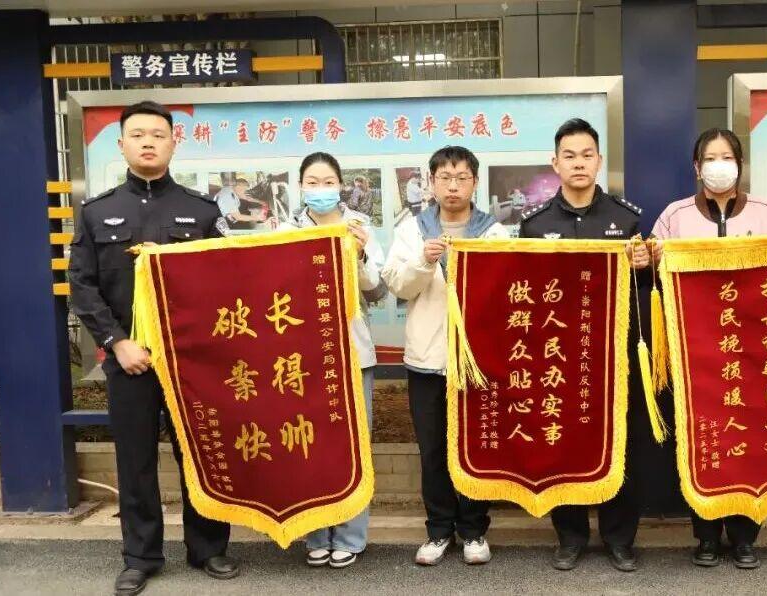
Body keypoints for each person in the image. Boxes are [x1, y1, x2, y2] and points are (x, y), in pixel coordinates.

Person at [68, 101, 240, 596]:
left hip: (192, 364)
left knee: (201, 453)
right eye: (138, 134)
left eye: (158, 134)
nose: (148, 141)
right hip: (130, 361)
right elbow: (83, 286)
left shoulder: (203, 211)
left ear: (173, 143)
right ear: (122, 143)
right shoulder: (97, 212)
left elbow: (226, 283)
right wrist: (116, 342)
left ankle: (208, 547)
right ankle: (140, 556)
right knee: (135, 460)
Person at [650, 127, 767, 571]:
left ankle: (746, 537)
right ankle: (707, 535)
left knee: (752, 441)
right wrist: (649, 257)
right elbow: (653, 271)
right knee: (704, 440)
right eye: (710, 158)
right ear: (697, 167)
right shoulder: (674, 216)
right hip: (697, 354)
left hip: (756, 353)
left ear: (740, 164)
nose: (719, 165)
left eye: (726, 157)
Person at [519, 118, 652, 573]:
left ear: (599, 161)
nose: (579, 163)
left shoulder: (626, 218)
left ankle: (620, 538)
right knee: (563, 442)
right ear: (555, 163)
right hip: (560, 355)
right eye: (569, 155)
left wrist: (644, 265)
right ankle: (570, 536)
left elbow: (644, 291)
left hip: (616, 356)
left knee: (623, 444)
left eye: (587, 155)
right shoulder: (535, 225)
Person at [382, 146, 509, 566]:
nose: (453, 186)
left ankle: (473, 530)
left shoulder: (494, 233)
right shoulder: (412, 229)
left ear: (475, 182)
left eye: (462, 177)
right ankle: (438, 531)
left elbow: (506, 292)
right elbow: (397, 284)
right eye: (444, 178)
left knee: (475, 445)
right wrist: (424, 260)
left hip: (477, 360)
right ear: (432, 183)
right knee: (433, 448)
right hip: (427, 359)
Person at [278, 152, 387, 568]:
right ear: (300, 186)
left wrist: (359, 254)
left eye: (327, 182)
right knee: (310, 444)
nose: (320, 189)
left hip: (352, 353)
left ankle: (351, 535)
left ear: (340, 185)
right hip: (301, 357)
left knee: (354, 445)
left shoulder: (359, 226)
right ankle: (316, 534)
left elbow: (377, 290)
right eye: (312, 181)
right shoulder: (286, 231)